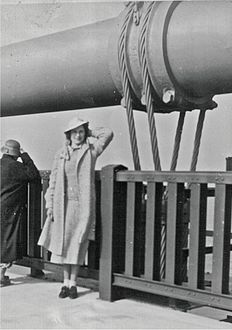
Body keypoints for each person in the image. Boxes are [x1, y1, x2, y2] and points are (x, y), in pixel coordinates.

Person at [38, 117, 113, 299]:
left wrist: (90, 131)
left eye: (81, 132)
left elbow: (108, 134)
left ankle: (73, 283)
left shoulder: (91, 151)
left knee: (78, 244)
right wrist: (50, 204)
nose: (78, 135)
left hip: (82, 207)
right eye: (74, 132)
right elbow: (54, 182)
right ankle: (65, 283)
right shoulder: (61, 154)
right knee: (63, 245)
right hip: (63, 206)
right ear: (69, 135)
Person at [1, 139, 41, 287]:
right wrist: (25, 156)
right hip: (10, 210)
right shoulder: (17, 167)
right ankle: (0, 276)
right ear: (15, 154)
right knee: (8, 240)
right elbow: (34, 175)